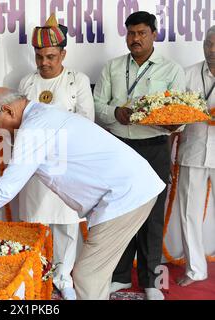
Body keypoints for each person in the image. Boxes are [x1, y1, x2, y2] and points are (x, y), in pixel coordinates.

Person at [0, 87, 165, 300]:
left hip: (125, 194)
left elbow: (7, 189)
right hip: (129, 189)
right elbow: (11, 182)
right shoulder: (41, 118)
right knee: (93, 275)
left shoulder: (34, 128)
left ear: (8, 110)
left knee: (86, 276)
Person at [93, 11, 186, 300]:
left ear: (154, 34)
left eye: (142, 33)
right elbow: (97, 106)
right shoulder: (112, 67)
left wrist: (171, 121)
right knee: (118, 213)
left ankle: (150, 282)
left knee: (152, 216)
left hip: (155, 147)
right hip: (119, 148)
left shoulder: (172, 70)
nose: (135, 39)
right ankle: (120, 276)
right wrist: (117, 113)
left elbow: (179, 117)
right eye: (131, 33)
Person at [17, 13, 94, 300]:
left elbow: (87, 122)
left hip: (67, 165)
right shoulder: (26, 83)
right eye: (39, 57)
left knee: (66, 225)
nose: (44, 63)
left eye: (50, 56)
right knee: (35, 225)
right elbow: (20, 123)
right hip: (35, 167)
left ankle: (63, 277)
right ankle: (36, 275)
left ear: (63, 54)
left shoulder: (77, 81)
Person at [175, 25, 215, 287]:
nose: (211, 50)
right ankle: (195, 269)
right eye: (207, 44)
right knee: (189, 211)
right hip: (193, 150)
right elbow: (175, 117)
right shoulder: (187, 75)